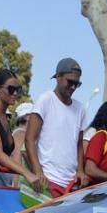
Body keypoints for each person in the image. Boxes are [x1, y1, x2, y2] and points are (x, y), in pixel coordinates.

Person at [25, 57, 90, 196]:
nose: (73, 87)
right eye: (70, 82)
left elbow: (79, 145)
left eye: (77, 84)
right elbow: (29, 139)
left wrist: (81, 171)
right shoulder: (45, 100)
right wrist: (38, 171)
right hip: (48, 180)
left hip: (71, 184)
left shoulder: (80, 109)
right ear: (58, 76)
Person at [0, 69, 39, 187]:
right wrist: (27, 173)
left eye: (18, 90)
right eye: (11, 89)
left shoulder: (4, 118)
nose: (15, 94)